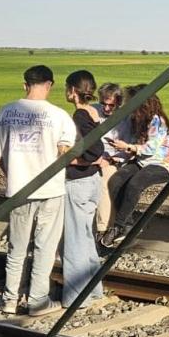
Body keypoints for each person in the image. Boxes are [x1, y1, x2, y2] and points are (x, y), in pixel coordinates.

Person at [0, 65, 76, 317]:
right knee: (44, 247)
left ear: (24, 84)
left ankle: (9, 299)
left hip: (18, 190)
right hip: (51, 190)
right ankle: (38, 300)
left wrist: (14, 176)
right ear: (49, 85)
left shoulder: (5, 111)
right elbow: (66, 153)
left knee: (16, 248)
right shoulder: (59, 116)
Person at [100, 86, 169, 248]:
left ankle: (118, 226)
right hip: (142, 161)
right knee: (115, 180)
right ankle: (127, 224)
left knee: (135, 184)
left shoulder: (157, 121)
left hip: (162, 164)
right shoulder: (136, 119)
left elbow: (151, 148)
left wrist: (128, 147)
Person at [62, 70, 107, 309]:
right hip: (92, 182)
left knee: (74, 240)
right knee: (86, 238)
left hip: (78, 183)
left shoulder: (80, 115)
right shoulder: (94, 111)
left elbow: (93, 149)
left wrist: (72, 161)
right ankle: (94, 290)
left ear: (72, 90)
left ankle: (75, 297)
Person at [92, 83, 130, 233]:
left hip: (113, 159)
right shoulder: (93, 110)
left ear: (119, 103)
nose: (106, 109)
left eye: (111, 105)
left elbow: (127, 149)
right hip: (93, 157)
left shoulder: (126, 118)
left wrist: (110, 160)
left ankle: (103, 228)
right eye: (103, 104)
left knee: (106, 180)